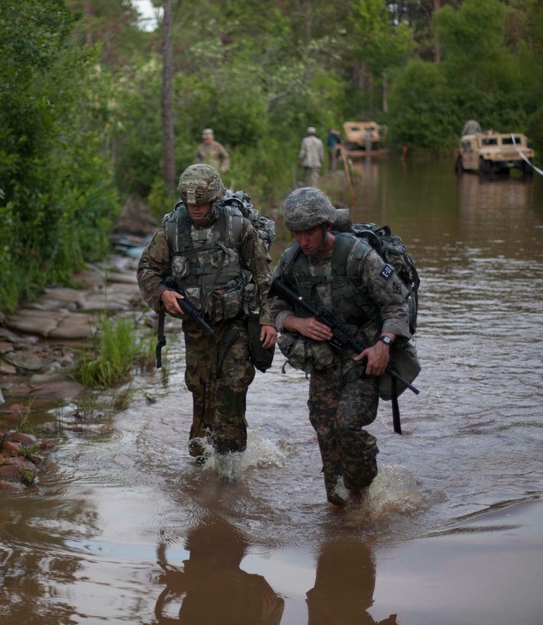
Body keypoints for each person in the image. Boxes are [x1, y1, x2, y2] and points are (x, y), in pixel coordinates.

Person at [270, 187, 411, 507]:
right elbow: (273, 308)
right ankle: (337, 500)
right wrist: (297, 323)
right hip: (324, 360)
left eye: (309, 232)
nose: (303, 241)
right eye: (296, 233)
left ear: (326, 226)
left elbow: (396, 305)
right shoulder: (291, 262)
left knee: (347, 425)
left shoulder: (358, 256)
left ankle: (360, 490)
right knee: (323, 427)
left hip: (364, 356)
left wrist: (384, 345)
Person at [137, 164, 276, 473]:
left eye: (201, 203)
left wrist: (268, 319)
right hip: (196, 326)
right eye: (190, 204)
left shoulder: (238, 227)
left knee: (234, 385)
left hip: (235, 323)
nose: (195, 209)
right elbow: (147, 269)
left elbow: (264, 276)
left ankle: (230, 467)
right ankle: (200, 463)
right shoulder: (173, 229)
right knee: (201, 389)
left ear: (214, 199)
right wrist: (161, 293)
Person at [155, 514, 285, 624]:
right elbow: (233, 587)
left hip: (230, 593)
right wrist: (191, 583)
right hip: (253, 601)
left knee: (198, 569)